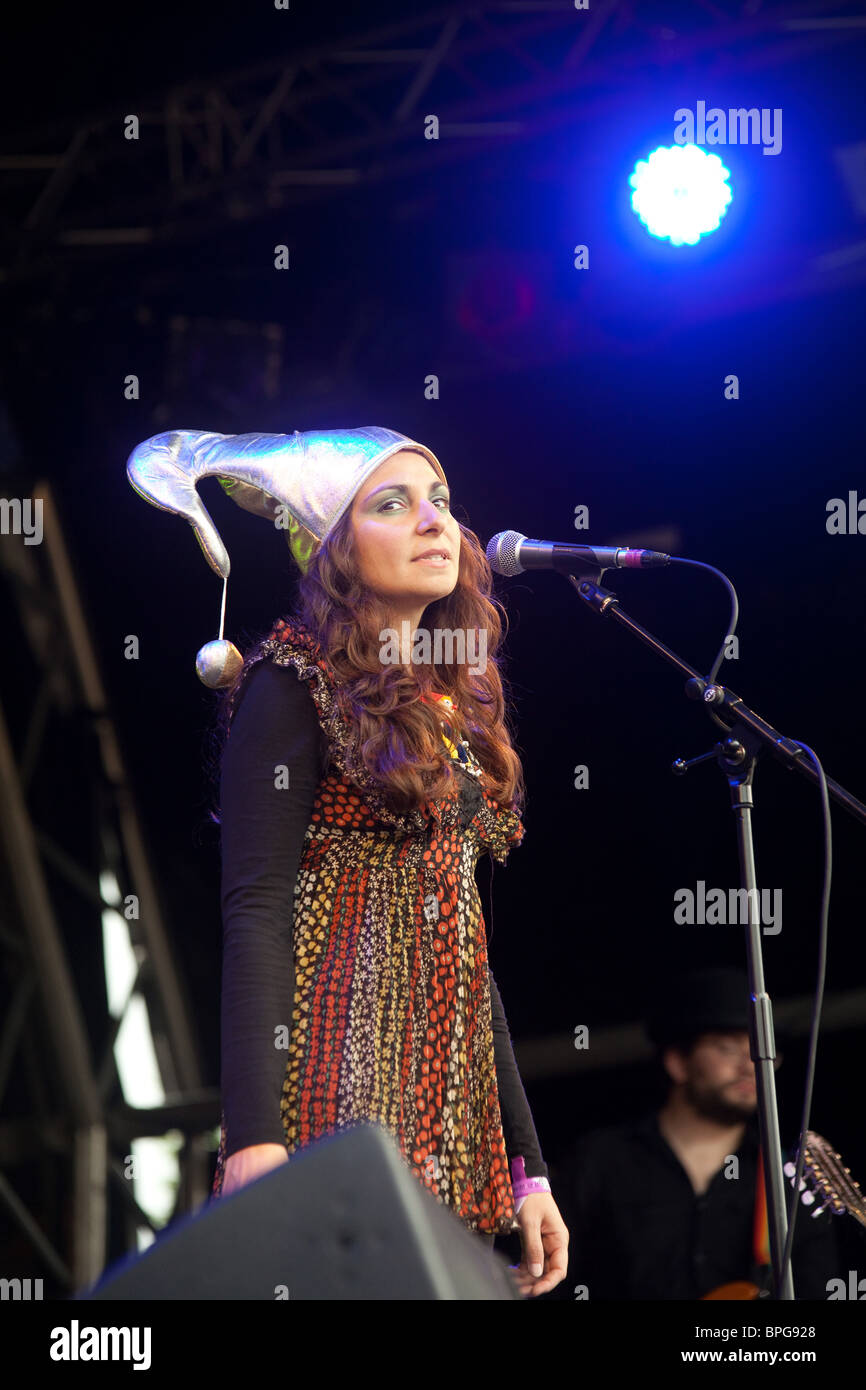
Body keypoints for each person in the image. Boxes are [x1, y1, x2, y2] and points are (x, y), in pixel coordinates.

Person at [126, 425, 568, 1297]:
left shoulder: (451, 705)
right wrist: (255, 1134)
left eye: (440, 503)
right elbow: (255, 909)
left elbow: (469, 956)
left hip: (451, 1117)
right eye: (393, 505)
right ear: (329, 547)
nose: (435, 523)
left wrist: (530, 1169)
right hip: (330, 1095)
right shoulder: (292, 683)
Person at [551, 968, 839, 1300]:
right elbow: (551, 1280)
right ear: (678, 1063)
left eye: (763, 1051)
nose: (750, 1065)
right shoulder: (600, 1161)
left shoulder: (788, 1181)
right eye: (728, 1048)